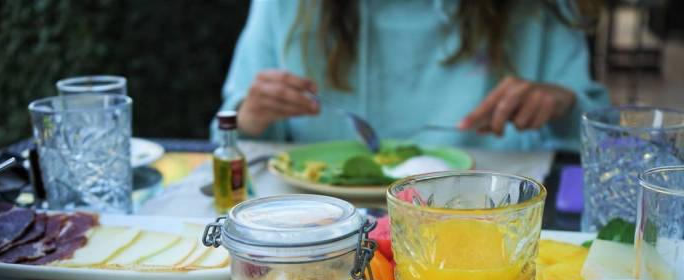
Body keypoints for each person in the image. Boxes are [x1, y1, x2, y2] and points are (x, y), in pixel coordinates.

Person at [214, 0, 609, 152]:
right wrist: (250, 117)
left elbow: (604, 137)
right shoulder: (287, 7)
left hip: (483, 224)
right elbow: (226, 136)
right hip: (311, 232)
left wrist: (562, 103)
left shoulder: (537, 10)